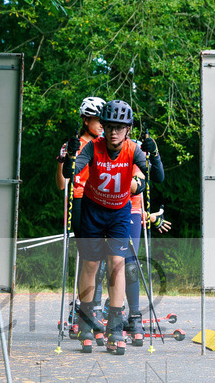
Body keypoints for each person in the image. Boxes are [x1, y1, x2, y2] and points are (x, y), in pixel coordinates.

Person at [62, 100, 150, 355]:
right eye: (109, 126)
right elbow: (73, 171)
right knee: (90, 264)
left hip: (119, 213)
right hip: (93, 210)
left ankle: (114, 328)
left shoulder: (133, 150)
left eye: (119, 128)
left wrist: (142, 175)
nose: (113, 132)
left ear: (128, 129)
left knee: (117, 264)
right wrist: (69, 158)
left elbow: (149, 175)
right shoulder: (93, 147)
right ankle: (86, 324)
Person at [56, 96, 107, 337]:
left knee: (103, 260)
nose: (102, 126)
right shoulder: (75, 144)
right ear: (86, 120)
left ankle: (91, 309)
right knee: (90, 259)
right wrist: (64, 159)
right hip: (79, 202)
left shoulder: (105, 144)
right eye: (98, 121)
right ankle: (86, 312)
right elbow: (61, 184)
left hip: (102, 203)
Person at [123, 130, 167, 346]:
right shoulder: (102, 148)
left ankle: (134, 315)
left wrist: (155, 153)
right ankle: (99, 310)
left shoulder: (135, 147)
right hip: (105, 208)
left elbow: (153, 178)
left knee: (130, 265)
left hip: (131, 210)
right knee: (102, 264)